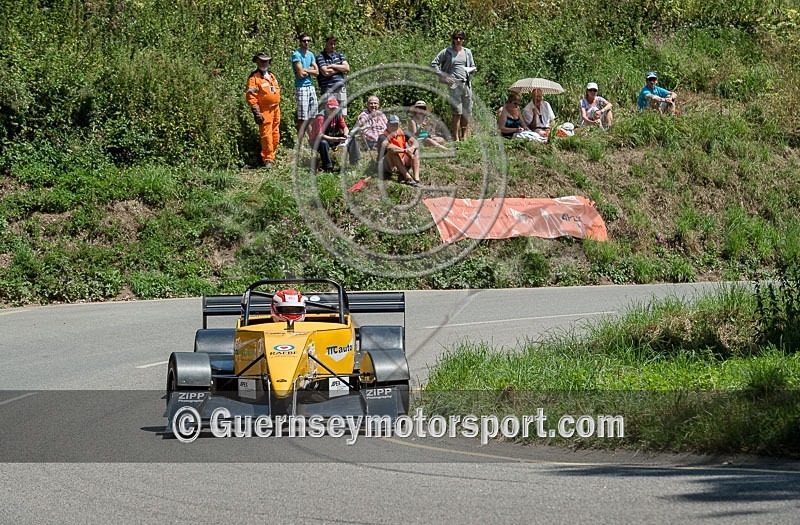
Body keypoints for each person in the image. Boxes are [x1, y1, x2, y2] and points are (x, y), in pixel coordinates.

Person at [431, 29, 476, 142]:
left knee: (467, 111)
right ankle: (455, 137)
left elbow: (472, 66)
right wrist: (444, 76)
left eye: (460, 38)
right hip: (454, 84)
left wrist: (472, 70)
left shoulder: (467, 52)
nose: (458, 40)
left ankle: (464, 136)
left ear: (463, 40)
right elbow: (434, 64)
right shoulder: (447, 51)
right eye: (456, 38)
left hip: (466, 83)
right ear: (453, 39)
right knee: (457, 111)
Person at [246, 52, 281, 168]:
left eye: (266, 61)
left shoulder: (271, 75)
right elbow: (251, 97)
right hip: (264, 111)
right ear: (257, 62)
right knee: (266, 136)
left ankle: (272, 154)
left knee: (275, 133)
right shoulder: (254, 78)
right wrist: (257, 113)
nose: (264, 63)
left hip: (276, 109)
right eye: (261, 61)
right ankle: (267, 160)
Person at [311, 98, 361, 172]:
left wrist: (345, 134)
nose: (333, 111)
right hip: (317, 141)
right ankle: (328, 167)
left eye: (335, 109)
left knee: (351, 137)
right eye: (331, 108)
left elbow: (345, 127)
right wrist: (336, 139)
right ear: (326, 107)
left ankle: (355, 161)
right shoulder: (320, 118)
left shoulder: (337, 115)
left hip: (331, 138)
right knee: (323, 143)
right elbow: (320, 135)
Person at [377, 115, 421, 186]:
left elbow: (415, 142)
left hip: (401, 160)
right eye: (392, 124)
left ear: (399, 125)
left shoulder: (404, 133)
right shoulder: (382, 136)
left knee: (416, 150)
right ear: (387, 125)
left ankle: (416, 178)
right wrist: (405, 151)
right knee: (392, 151)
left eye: (396, 125)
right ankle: (407, 177)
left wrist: (412, 148)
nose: (394, 127)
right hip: (387, 164)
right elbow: (389, 147)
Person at [292, 33, 319, 146]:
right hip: (301, 87)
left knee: (313, 115)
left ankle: (311, 140)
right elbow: (300, 74)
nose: (307, 43)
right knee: (302, 117)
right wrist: (309, 70)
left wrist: (305, 70)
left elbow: (317, 72)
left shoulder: (311, 54)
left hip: (310, 86)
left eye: (308, 40)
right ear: (300, 42)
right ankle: (299, 142)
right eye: (304, 41)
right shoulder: (296, 54)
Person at [316, 34, 350, 116]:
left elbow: (347, 68)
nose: (333, 46)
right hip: (328, 89)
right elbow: (326, 72)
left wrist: (333, 66)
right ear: (326, 43)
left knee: (341, 114)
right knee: (329, 114)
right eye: (331, 44)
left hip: (340, 88)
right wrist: (339, 69)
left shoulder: (339, 55)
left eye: (334, 44)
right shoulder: (320, 56)